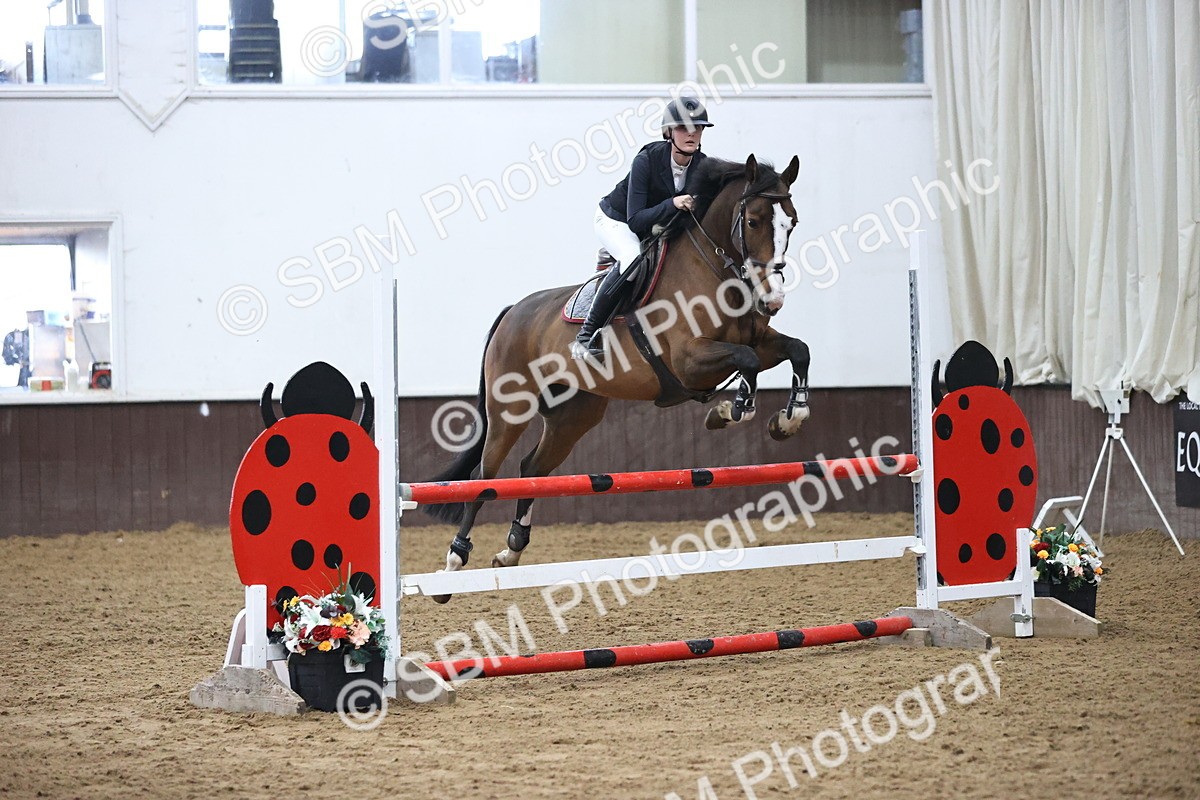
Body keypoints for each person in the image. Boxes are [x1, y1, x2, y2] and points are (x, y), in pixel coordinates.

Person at [571, 96, 714, 361]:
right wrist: (673, 203)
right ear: (669, 132)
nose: (692, 133)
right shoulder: (647, 160)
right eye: (683, 127)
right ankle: (585, 336)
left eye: (698, 127)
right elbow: (635, 220)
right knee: (632, 259)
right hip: (616, 220)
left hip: (653, 225)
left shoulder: (702, 166)